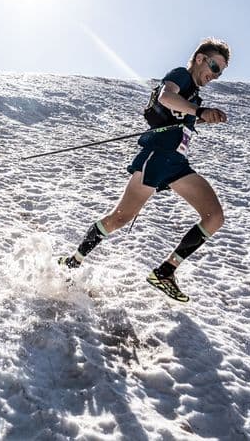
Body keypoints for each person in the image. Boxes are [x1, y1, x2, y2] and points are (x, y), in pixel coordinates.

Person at [58, 38, 231, 302]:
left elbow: (178, 112)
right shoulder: (181, 75)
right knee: (118, 218)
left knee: (214, 217)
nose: (215, 75)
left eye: (220, 72)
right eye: (214, 67)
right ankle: (74, 260)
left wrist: (199, 116)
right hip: (157, 158)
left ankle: (165, 272)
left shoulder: (194, 94)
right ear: (199, 59)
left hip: (176, 164)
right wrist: (199, 111)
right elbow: (166, 96)